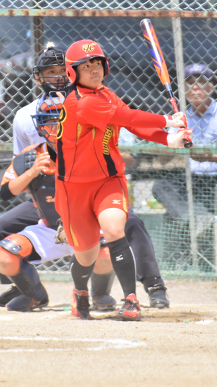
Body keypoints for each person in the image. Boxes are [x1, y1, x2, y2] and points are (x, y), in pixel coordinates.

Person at [0, 45, 172, 311]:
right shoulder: (25, 118)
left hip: (92, 183)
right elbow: (13, 176)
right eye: (51, 72)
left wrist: (162, 133)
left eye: (63, 70)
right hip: (50, 196)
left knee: (125, 223)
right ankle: (24, 287)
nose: (53, 127)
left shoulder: (96, 100)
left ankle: (151, 286)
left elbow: (129, 127)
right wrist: (34, 170)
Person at [47, 39, 190, 321]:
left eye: (97, 63)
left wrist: (169, 139)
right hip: (73, 188)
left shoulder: (106, 95)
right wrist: (167, 120)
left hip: (107, 180)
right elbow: (126, 115)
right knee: (86, 255)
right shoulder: (81, 102)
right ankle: (80, 292)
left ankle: (130, 299)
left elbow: (132, 124)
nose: (94, 70)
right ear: (73, 72)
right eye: (85, 66)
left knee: (114, 231)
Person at [0, 46, 116, 312]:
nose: (54, 128)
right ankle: (34, 295)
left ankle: (100, 294)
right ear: (40, 124)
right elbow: (4, 193)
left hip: (86, 226)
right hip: (50, 227)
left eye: (61, 121)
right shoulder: (32, 154)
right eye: (48, 121)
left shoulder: (89, 149)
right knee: (4, 256)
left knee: (107, 252)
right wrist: (34, 171)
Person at [152, 64, 217, 270]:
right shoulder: (181, 118)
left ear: (211, 87)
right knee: (161, 186)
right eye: (190, 84)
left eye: (201, 83)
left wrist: (210, 157)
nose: (195, 88)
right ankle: (194, 220)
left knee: (174, 216)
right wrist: (173, 136)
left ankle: (196, 247)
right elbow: (162, 160)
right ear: (184, 91)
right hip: (194, 179)